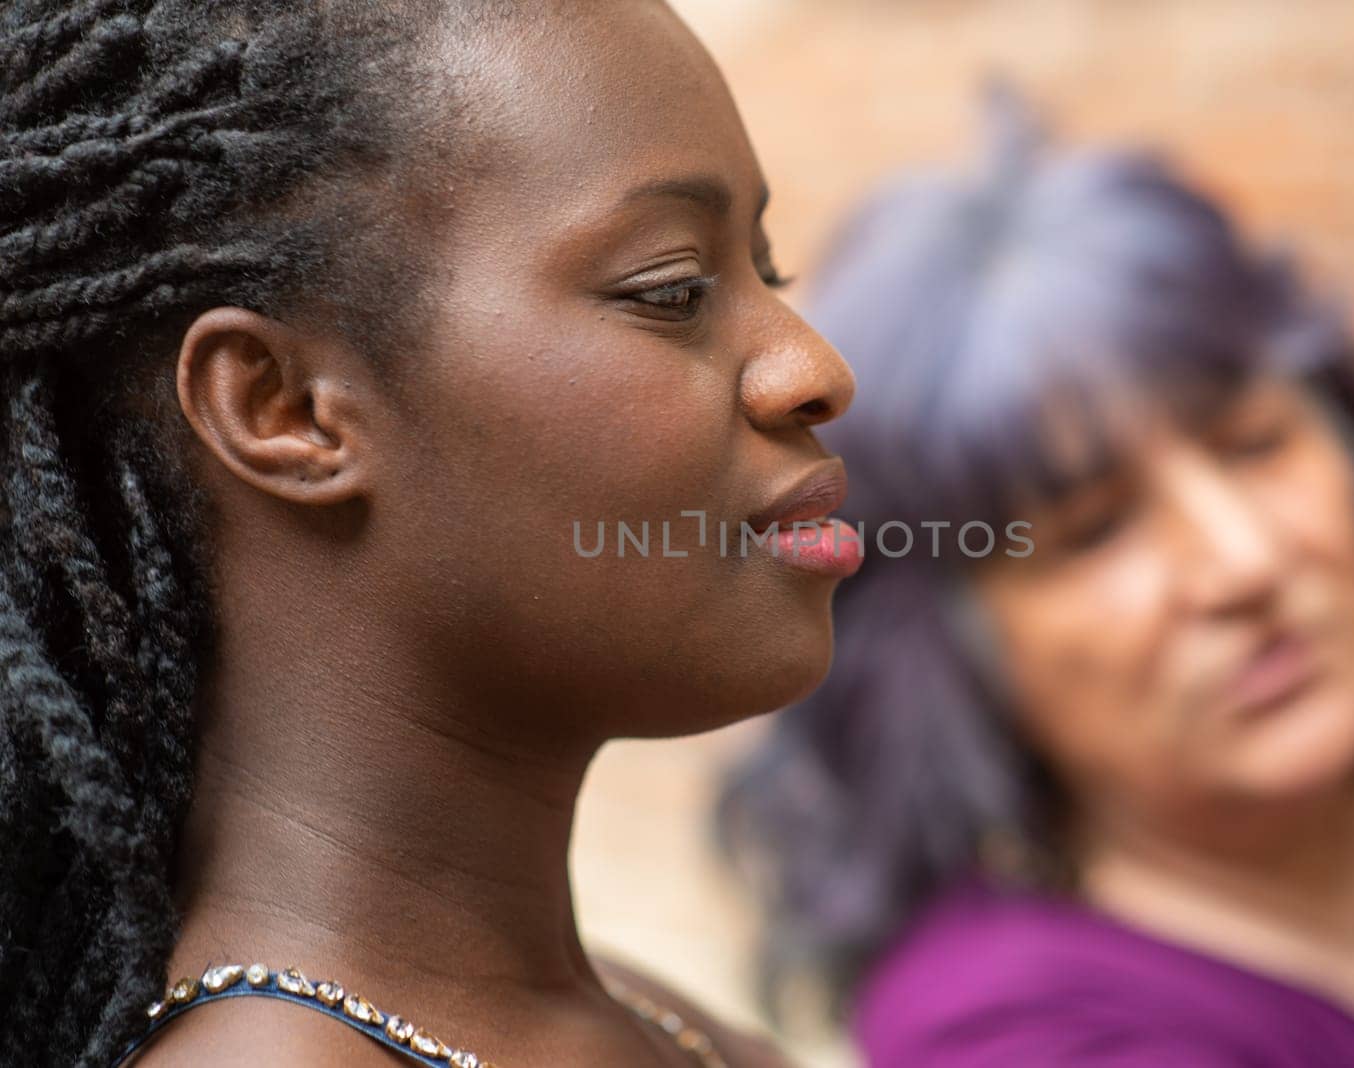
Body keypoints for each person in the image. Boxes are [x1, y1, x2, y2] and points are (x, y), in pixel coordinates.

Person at [0, 1, 860, 1065]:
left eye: (764, 272)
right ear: (286, 410)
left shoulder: (663, 1028)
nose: (813, 369)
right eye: (670, 290)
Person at [716, 93, 1354, 1066]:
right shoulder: (1005, 1027)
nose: (1244, 563)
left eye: (1256, 445)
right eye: (1094, 532)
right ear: (944, 641)